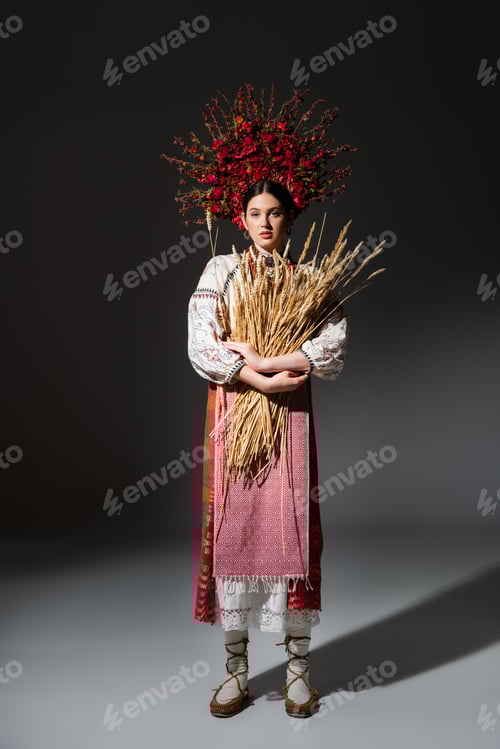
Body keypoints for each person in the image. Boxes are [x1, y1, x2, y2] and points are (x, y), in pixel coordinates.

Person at [188, 179, 349, 718]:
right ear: (241, 217)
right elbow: (201, 341)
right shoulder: (221, 272)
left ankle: (298, 669)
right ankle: (237, 670)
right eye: (255, 212)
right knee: (236, 531)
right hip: (237, 413)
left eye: (275, 213)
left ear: (289, 219)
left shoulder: (307, 278)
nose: (265, 223)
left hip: (290, 420)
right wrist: (254, 374)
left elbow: (330, 346)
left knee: (292, 532)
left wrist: (269, 359)